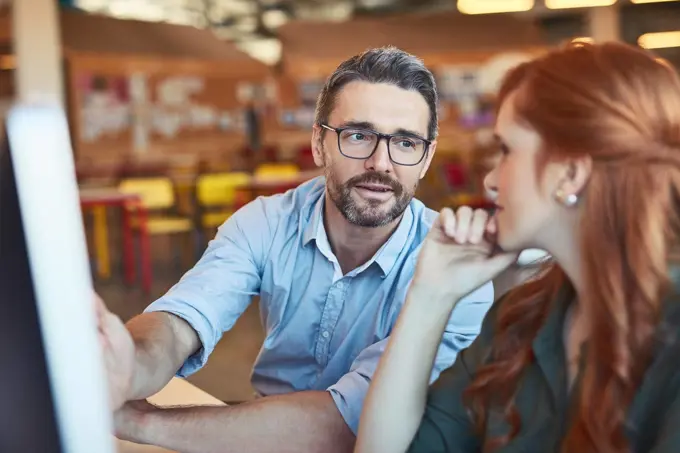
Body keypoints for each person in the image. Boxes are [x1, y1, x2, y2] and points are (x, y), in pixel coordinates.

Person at [98, 46, 494, 453]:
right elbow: (181, 321)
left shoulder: (456, 271)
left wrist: (139, 420)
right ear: (319, 143)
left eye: (406, 143)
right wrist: (127, 364)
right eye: (358, 135)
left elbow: (346, 427)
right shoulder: (267, 223)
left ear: (426, 158)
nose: (381, 162)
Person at [355, 41, 680, 453]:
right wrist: (430, 296)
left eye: (506, 151)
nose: (490, 181)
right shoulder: (521, 317)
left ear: (571, 174)